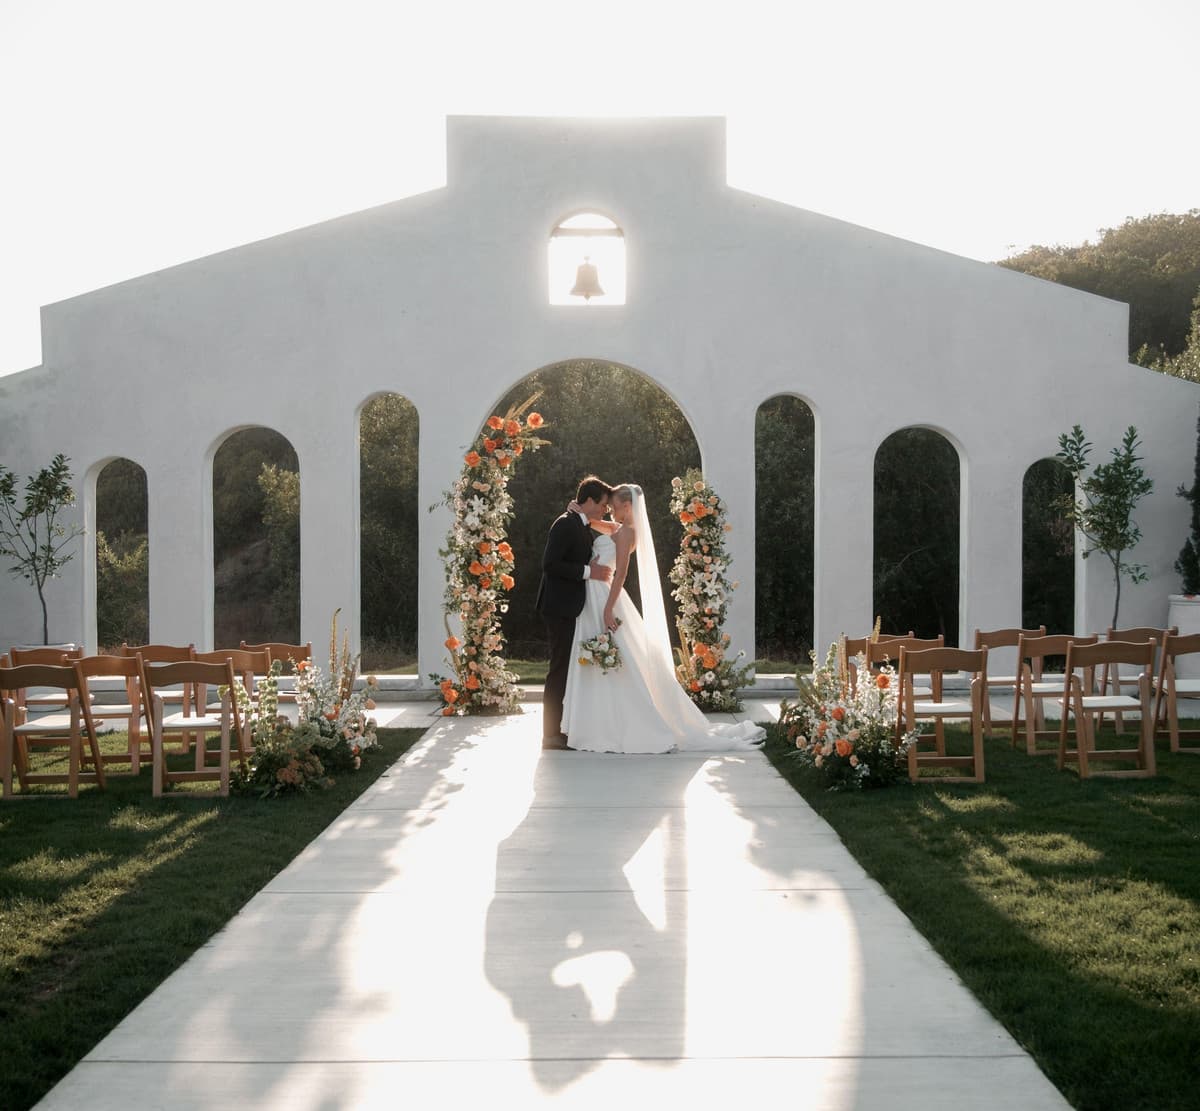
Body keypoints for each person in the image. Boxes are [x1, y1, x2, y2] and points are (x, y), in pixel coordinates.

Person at [561, 483, 766, 754]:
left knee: (618, 656)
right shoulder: (619, 529)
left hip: (605, 596)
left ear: (627, 506)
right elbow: (595, 524)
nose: (609, 511)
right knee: (615, 656)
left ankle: (621, 723)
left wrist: (608, 609)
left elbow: (621, 574)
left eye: (614, 507)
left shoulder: (626, 533)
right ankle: (601, 722)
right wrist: (578, 513)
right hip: (595, 594)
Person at [535, 476, 614, 750]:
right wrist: (590, 572)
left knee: (566, 669)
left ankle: (561, 729)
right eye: (603, 505)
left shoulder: (580, 524)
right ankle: (550, 735)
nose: (605, 510)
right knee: (558, 669)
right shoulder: (565, 524)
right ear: (589, 501)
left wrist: (590, 566)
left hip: (570, 606)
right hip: (559, 607)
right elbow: (550, 564)